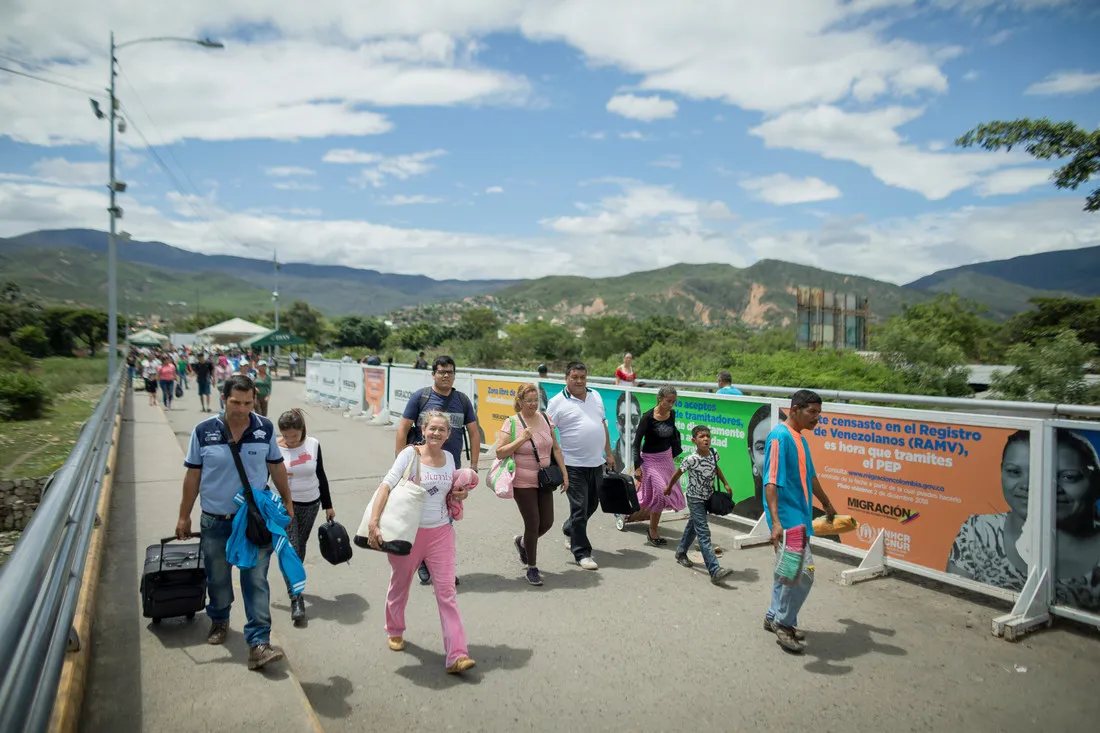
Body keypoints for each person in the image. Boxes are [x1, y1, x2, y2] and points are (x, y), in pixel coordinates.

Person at [176, 375, 295, 670]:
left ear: (254, 399)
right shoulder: (203, 431)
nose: (242, 409)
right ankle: (219, 619)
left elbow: (276, 465)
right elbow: (193, 475)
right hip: (215, 521)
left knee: (255, 580)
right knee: (217, 577)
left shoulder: (264, 428)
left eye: (247, 402)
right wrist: (183, 514)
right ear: (223, 399)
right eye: (235, 402)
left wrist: (288, 501)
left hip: (253, 521)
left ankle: (258, 643)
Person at [366, 410, 475, 675]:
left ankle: (457, 654)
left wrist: (460, 494)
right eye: (432, 428)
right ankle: (394, 629)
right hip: (408, 533)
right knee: (400, 584)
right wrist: (374, 522)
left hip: (441, 533)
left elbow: (451, 493)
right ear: (423, 430)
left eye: (442, 430)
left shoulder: (449, 458)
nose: (436, 433)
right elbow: (386, 486)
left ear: (449, 434)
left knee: (447, 592)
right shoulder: (409, 454)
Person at [947, 429, 1100, 610]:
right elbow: (954, 605)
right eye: (1014, 471)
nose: (1032, 486)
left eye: (1068, 477)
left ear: (1096, 483)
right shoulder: (978, 531)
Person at [762, 389, 836, 654]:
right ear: (794, 409)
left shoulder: (799, 438)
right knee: (804, 572)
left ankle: (774, 616)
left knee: (788, 570)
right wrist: (776, 523)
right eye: (812, 412)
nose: (817, 418)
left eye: (819, 413)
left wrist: (826, 503)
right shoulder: (780, 438)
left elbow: (811, 478)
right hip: (788, 521)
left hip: (800, 517)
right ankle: (784, 623)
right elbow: (770, 481)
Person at [395, 355, 479, 586]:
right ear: (433, 374)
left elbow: (474, 432)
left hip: (450, 471)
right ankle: (423, 562)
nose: (446, 376)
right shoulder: (420, 397)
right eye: (441, 372)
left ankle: (439, 567)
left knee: (446, 519)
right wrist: (402, 467)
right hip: (421, 470)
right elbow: (402, 430)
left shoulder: (462, 400)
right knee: (422, 517)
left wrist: (473, 469)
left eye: (450, 372)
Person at [494, 383, 568, 586]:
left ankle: (523, 542)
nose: (533, 404)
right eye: (529, 401)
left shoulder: (545, 418)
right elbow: (500, 452)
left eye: (536, 400)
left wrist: (564, 473)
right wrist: (521, 439)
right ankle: (532, 567)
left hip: (544, 479)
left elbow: (556, 449)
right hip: (522, 480)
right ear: (519, 401)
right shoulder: (512, 422)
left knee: (547, 522)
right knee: (533, 523)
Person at [546, 361, 615, 570]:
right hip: (572, 465)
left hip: (596, 462)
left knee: (592, 504)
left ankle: (569, 528)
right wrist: (553, 460)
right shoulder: (557, 402)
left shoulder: (595, 396)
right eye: (574, 377)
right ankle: (582, 552)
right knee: (579, 507)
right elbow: (547, 430)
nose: (578, 381)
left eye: (582, 377)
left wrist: (609, 453)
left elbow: (603, 425)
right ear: (566, 378)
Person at [277, 408, 334, 626]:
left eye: (295, 435)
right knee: (290, 551)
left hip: (310, 503)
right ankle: (296, 599)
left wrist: (328, 505)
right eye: (286, 435)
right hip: (283, 506)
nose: (290, 441)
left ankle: (294, 584)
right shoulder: (273, 447)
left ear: (302, 430)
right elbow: (264, 475)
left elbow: (321, 474)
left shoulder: (313, 444)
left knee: (299, 550)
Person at [668, 424, 734, 583]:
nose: (706, 439)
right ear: (693, 440)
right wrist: (668, 487)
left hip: (708, 497)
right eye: (701, 437)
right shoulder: (691, 459)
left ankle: (681, 551)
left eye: (708, 436)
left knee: (694, 526)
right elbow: (678, 473)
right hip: (695, 498)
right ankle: (714, 570)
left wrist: (725, 483)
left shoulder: (713, 453)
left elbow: (715, 468)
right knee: (703, 533)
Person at [632, 386, 685, 546]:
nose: (671, 405)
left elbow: (671, 437)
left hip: (666, 459)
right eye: (668, 401)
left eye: (673, 402)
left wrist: (674, 454)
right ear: (659, 399)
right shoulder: (647, 417)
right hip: (650, 460)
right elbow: (636, 444)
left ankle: (632, 511)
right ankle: (652, 530)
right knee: (661, 494)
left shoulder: (672, 414)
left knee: (664, 494)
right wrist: (637, 467)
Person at [732, 404, 772, 518]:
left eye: (780, 446)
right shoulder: (742, 511)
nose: (772, 457)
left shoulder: (811, 516)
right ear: (752, 456)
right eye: (762, 448)